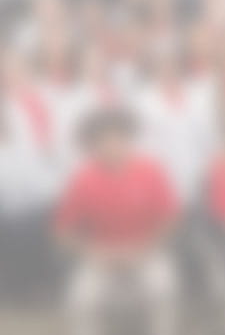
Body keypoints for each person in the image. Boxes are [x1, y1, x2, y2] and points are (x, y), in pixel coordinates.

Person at [55, 109, 179, 335]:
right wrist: (94, 252)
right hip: (102, 254)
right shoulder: (83, 177)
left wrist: (145, 247)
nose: (112, 146)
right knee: (81, 300)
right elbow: (63, 230)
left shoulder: (151, 170)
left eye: (118, 138)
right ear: (93, 145)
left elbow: (170, 217)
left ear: (129, 139)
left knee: (163, 289)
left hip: (144, 249)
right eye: (103, 140)